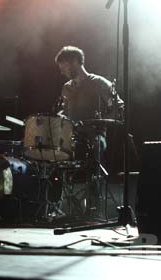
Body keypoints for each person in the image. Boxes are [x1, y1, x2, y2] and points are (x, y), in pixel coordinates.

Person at [55, 46, 124, 216]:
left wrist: (104, 121)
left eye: (64, 66)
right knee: (52, 153)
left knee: (95, 149)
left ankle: (93, 208)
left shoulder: (99, 83)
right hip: (72, 137)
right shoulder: (66, 88)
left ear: (76, 62)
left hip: (95, 135)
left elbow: (119, 107)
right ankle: (61, 207)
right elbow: (65, 111)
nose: (62, 71)